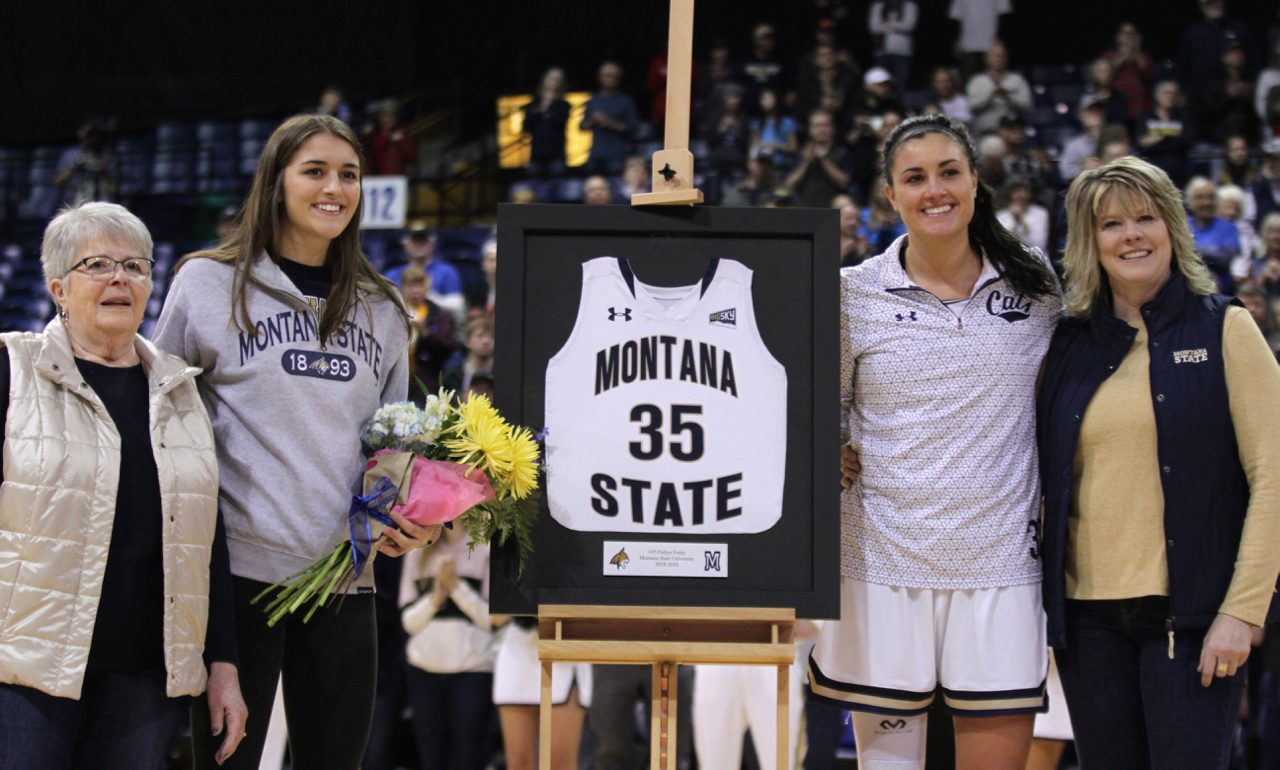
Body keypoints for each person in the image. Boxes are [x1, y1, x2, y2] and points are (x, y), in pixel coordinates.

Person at [154, 114, 437, 770]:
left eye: (349, 174)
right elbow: (161, 419)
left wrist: (408, 519)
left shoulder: (385, 307)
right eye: (315, 171)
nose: (334, 187)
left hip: (344, 579)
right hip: (234, 581)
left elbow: (393, 442)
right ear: (276, 182)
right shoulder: (206, 282)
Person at [812, 114, 1060, 770]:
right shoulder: (852, 294)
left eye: (949, 173)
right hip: (881, 567)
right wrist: (827, 449)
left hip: (1002, 567)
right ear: (890, 194)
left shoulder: (1036, 285)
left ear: (975, 181)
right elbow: (817, 410)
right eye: (915, 177)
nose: (935, 190)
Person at [1038, 155, 1280, 770]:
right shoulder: (1067, 342)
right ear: (1090, 241)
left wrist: (1242, 611)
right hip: (1087, 625)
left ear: (1173, 225)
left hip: (1193, 619)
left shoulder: (1226, 328)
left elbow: (1274, 477)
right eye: (1111, 224)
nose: (1132, 235)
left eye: (1146, 218)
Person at [0, 201, 246, 768]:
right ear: (58, 289)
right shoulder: (14, 370)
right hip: (26, 670)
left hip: (147, 677)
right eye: (98, 265)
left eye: (135, 266)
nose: (120, 278)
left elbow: (208, 541)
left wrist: (223, 663)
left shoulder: (181, 390)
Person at [399, 527, 497, 770]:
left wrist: (456, 587)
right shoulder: (417, 551)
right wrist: (435, 598)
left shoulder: (485, 549)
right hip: (424, 671)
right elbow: (408, 622)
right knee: (431, 759)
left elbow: (492, 620)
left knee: (469, 759)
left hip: (473, 670)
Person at [400, 267, 456, 403]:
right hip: (401, 372)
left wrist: (426, 333)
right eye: (410, 286)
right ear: (403, 288)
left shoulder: (438, 314)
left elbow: (447, 346)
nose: (414, 291)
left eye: (418, 285)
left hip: (426, 376)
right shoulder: (397, 311)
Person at [1187, 176, 1243, 292]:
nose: (1206, 202)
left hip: (1222, 291)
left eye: (1211, 197)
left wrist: (1190, 250)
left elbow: (1224, 259)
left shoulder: (1228, 227)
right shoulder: (1182, 225)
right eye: (1200, 197)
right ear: (1190, 201)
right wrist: (1212, 251)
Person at [786, 110, 852, 209]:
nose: (821, 130)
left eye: (825, 125)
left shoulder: (842, 153)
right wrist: (805, 163)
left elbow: (844, 183)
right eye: (817, 126)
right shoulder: (801, 154)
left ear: (833, 129)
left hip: (833, 209)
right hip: (804, 207)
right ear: (810, 130)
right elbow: (789, 184)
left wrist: (825, 159)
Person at [582, 62, 639, 175]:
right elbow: (582, 126)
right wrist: (593, 120)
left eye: (614, 76)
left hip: (617, 153)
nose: (610, 79)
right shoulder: (593, 101)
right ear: (600, 77)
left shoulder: (626, 101)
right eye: (607, 75)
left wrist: (609, 123)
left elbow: (632, 127)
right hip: (596, 153)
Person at [966, 40, 1032, 137]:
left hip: (1012, 131)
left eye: (1002, 56)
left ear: (1007, 59)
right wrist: (990, 97)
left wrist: (1008, 97)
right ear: (987, 58)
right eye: (995, 56)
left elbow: (1027, 106)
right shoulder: (977, 81)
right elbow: (971, 106)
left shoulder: (1017, 79)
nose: (999, 59)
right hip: (986, 132)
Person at [1137, 80, 1194, 187]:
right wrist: (1172, 140)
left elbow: (1187, 142)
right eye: (1166, 93)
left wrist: (1161, 138)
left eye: (1173, 93)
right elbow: (1141, 143)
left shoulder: (1183, 118)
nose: (1170, 96)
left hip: (1179, 171)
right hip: (1152, 171)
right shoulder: (1146, 117)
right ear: (1157, 96)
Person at [523, 68, 571, 178]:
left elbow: (559, 121)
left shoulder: (563, 105)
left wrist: (548, 107)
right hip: (537, 155)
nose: (555, 83)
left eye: (558, 80)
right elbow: (527, 126)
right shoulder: (534, 105)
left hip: (556, 155)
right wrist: (544, 105)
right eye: (552, 79)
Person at [949, 0, 1012, 83]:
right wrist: (957, 41)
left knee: (992, 81)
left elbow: (1004, 14)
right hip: (968, 46)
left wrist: (1000, 38)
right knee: (969, 81)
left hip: (991, 45)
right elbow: (955, 16)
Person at [1104, 22, 1156, 120]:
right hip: (1117, 106)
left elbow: (1150, 76)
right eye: (1125, 33)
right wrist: (1122, 58)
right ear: (1117, 37)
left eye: (1132, 33)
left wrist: (1137, 52)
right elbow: (1104, 75)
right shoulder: (1109, 56)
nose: (1129, 36)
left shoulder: (1144, 57)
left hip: (1140, 108)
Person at [868, 0, 919, 91]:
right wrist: (897, 26)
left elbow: (909, 26)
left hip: (902, 52)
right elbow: (874, 27)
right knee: (880, 83)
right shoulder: (878, 5)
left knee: (900, 83)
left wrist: (886, 24)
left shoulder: (909, 5)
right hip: (881, 52)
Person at [443, 315, 495, 396]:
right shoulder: (453, 376)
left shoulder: (504, 375)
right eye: (480, 335)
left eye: (492, 336)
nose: (486, 341)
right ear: (468, 341)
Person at [362, 100, 416, 176]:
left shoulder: (402, 133)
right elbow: (363, 156)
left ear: (396, 118)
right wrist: (365, 137)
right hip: (375, 178)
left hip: (395, 178)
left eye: (390, 116)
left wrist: (400, 143)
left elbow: (411, 157)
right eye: (384, 116)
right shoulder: (373, 134)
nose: (387, 120)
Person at [998, 177, 1050, 253]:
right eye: (1017, 191)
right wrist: (1015, 222)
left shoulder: (1041, 213)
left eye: (1024, 191)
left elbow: (1039, 244)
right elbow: (1002, 244)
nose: (1021, 195)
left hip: (1035, 257)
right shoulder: (1000, 216)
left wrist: (1021, 221)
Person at [750, 88, 800, 166]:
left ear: (776, 100)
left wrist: (776, 145)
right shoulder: (757, 123)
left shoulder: (787, 122)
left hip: (782, 164)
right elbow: (752, 147)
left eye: (769, 98)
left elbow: (794, 147)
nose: (765, 102)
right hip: (762, 164)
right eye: (763, 99)